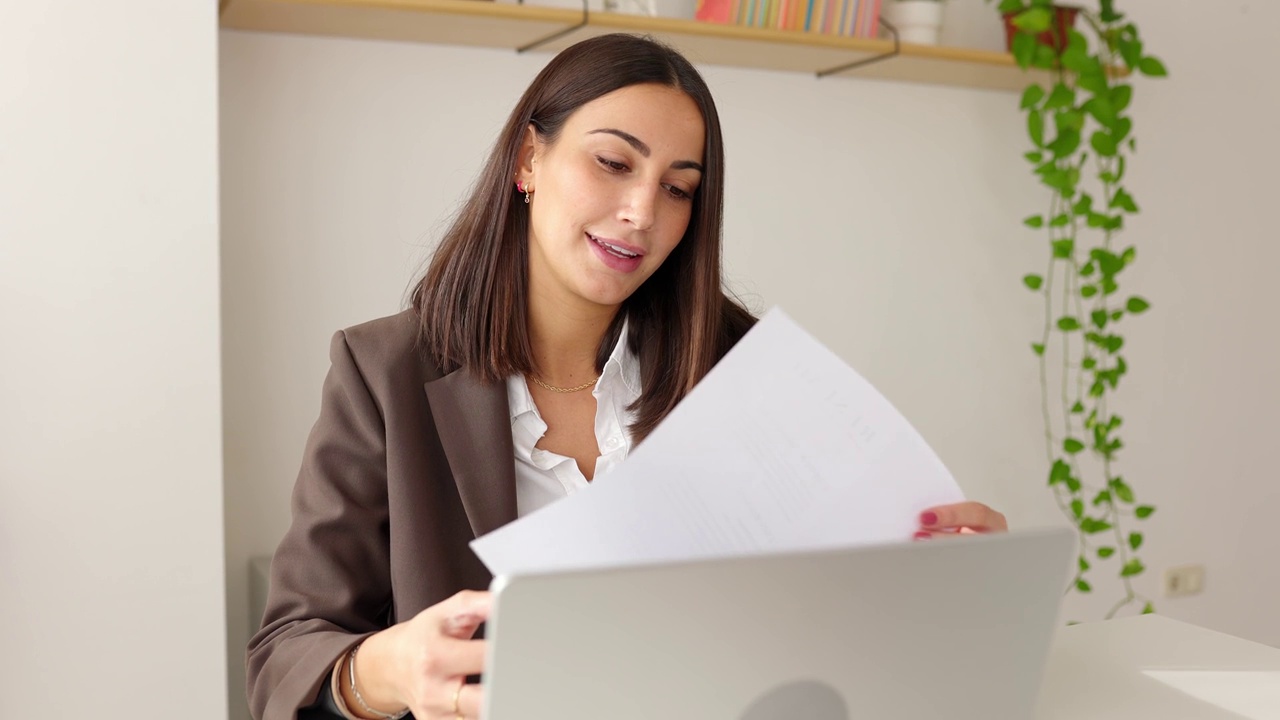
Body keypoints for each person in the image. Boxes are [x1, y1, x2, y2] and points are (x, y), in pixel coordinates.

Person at [246, 32, 1009, 720]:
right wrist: (386, 670)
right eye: (613, 163)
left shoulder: (739, 364)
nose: (642, 211)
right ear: (527, 160)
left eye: (678, 188)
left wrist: (934, 575)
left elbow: (821, 606)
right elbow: (284, 654)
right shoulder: (386, 371)